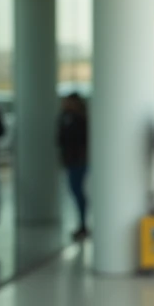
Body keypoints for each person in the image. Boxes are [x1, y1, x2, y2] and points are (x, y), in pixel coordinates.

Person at [56, 92, 89, 241]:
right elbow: (59, 138)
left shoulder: (81, 119)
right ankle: (82, 224)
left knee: (77, 191)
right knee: (75, 191)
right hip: (71, 160)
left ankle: (83, 224)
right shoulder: (65, 118)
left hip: (79, 160)